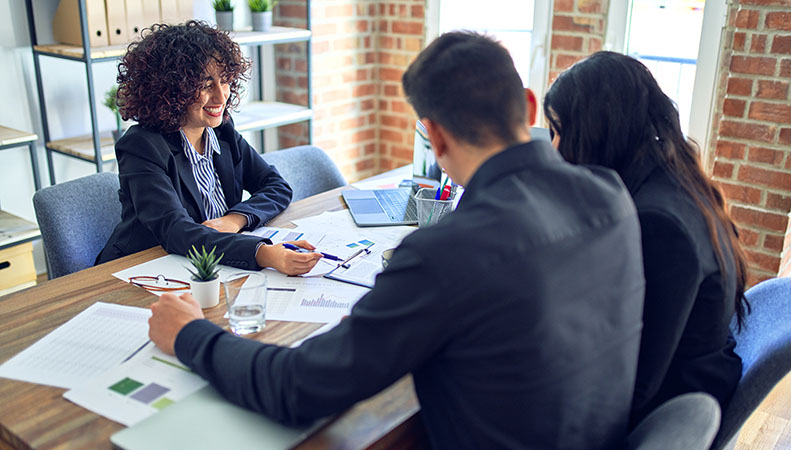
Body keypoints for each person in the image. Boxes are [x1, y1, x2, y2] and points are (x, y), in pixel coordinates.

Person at [148, 32, 646, 449]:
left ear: (434, 135)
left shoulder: (448, 251)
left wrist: (189, 334)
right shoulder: (611, 195)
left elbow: (298, 389)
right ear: (530, 106)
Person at [543, 51, 750, 426]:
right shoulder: (671, 182)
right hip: (688, 387)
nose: (554, 149)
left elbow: (631, 382)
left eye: (559, 131)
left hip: (667, 418)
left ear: (598, 130)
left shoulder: (657, 223)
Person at [96, 21, 321, 275]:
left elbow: (276, 186)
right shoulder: (142, 147)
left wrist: (235, 220)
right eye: (205, 84)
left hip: (207, 266)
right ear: (171, 90)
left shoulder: (221, 131)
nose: (221, 96)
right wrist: (262, 252)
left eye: (224, 80)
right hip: (141, 269)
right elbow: (176, 232)